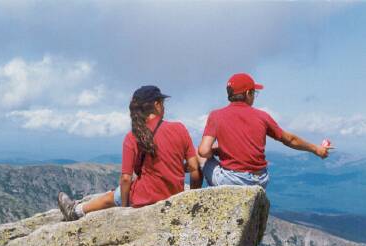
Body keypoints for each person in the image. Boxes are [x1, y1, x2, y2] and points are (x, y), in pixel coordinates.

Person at [58, 85, 202, 221]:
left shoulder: (133, 136)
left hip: (145, 196)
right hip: (174, 195)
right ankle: (77, 208)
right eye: (163, 103)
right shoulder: (179, 128)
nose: (164, 107)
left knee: (113, 196)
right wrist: (191, 198)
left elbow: (126, 178)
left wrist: (124, 207)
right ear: (157, 105)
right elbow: (194, 168)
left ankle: (75, 211)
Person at [198, 73, 331, 189]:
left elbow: (203, 151)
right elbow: (290, 140)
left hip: (231, 181)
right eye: (254, 93)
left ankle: (193, 199)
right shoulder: (262, 116)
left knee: (197, 156)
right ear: (247, 93)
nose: (254, 97)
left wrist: (219, 151)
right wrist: (316, 149)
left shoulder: (216, 115)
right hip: (260, 180)